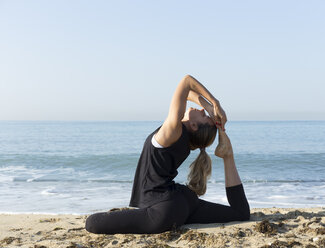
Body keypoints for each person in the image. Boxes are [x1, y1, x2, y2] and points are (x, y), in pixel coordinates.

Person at [85, 75, 250, 234]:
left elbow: (186, 82)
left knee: (92, 223)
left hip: (163, 211)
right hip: (183, 202)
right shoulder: (182, 137)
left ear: (193, 125)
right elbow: (188, 94)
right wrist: (209, 109)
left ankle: (227, 155)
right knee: (240, 213)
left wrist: (215, 103)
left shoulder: (173, 131)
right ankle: (228, 156)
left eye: (203, 115)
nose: (201, 110)